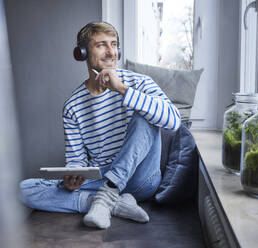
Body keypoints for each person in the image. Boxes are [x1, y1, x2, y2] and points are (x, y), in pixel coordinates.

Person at [19, 22, 181, 229]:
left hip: (142, 178)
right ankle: (107, 203)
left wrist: (122, 90)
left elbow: (173, 121)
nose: (111, 52)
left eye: (114, 45)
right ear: (83, 53)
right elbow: (76, 160)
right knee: (24, 189)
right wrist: (73, 177)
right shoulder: (72, 106)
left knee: (145, 113)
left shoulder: (139, 83)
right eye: (101, 45)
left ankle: (107, 195)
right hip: (101, 178)